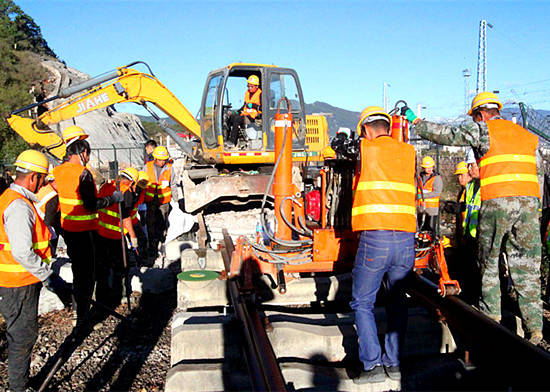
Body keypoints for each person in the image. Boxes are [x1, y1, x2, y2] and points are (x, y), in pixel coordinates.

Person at [406, 91, 543, 344]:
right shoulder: (527, 135)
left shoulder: (485, 130)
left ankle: (491, 317)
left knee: (488, 260)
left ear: (480, 114)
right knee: (526, 267)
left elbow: (448, 135)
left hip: (498, 202)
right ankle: (535, 328)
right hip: (529, 204)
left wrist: (417, 123)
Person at [350, 106, 416, 384]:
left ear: (366, 130)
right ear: (389, 128)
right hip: (405, 239)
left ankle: (372, 365)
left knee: (363, 302)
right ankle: (395, 363)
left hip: (375, 238)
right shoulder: (409, 152)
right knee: (398, 301)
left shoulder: (366, 149)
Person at [0, 150, 71, 392]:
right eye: (42, 179)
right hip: (19, 283)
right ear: (33, 178)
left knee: (21, 334)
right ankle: (19, 388)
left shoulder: (10, 198)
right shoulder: (19, 205)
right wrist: (48, 276)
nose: (44, 184)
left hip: (16, 280)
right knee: (22, 337)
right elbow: (22, 252)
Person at [52, 125, 123, 328]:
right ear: (83, 152)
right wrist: (112, 198)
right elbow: (91, 204)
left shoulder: (58, 171)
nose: (89, 159)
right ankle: (82, 317)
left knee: (78, 271)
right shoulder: (82, 174)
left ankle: (78, 311)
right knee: (86, 275)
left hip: (68, 230)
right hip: (85, 232)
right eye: (88, 154)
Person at [95, 167, 139, 315]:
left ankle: (101, 299)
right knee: (120, 267)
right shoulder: (126, 193)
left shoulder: (107, 186)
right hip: (115, 236)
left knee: (103, 268)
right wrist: (132, 236)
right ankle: (119, 295)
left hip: (100, 233)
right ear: (132, 181)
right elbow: (125, 217)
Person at [143, 146, 178, 264]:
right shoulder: (147, 167)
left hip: (164, 202)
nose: (163, 162)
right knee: (151, 223)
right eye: (160, 159)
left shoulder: (169, 168)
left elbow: (173, 184)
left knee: (162, 223)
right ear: (155, 158)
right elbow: (142, 184)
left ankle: (162, 242)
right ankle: (152, 247)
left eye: (164, 159)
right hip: (151, 201)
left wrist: (176, 199)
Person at [227, 74, 262, 147]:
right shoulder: (247, 93)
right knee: (231, 117)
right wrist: (238, 111)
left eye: (251, 86)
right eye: (248, 86)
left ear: (256, 86)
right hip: (245, 115)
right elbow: (245, 105)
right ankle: (227, 139)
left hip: (254, 118)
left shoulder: (260, 94)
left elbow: (262, 108)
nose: (249, 88)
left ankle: (232, 142)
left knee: (237, 119)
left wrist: (253, 105)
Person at [35, 169, 62, 256]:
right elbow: (49, 220)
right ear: (55, 181)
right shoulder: (52, 196)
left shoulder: (43, 188)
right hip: (42, 228)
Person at [417, 156, 442, 234]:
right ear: (423, 168)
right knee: (421, 232)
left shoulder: (437, 178)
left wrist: (423, 196)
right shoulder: (419, 178)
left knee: (430, 232)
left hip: (432, 211)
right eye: (427, 167)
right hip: (420, 209)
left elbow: (437, 192)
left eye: (431, 167)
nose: (429, 169)